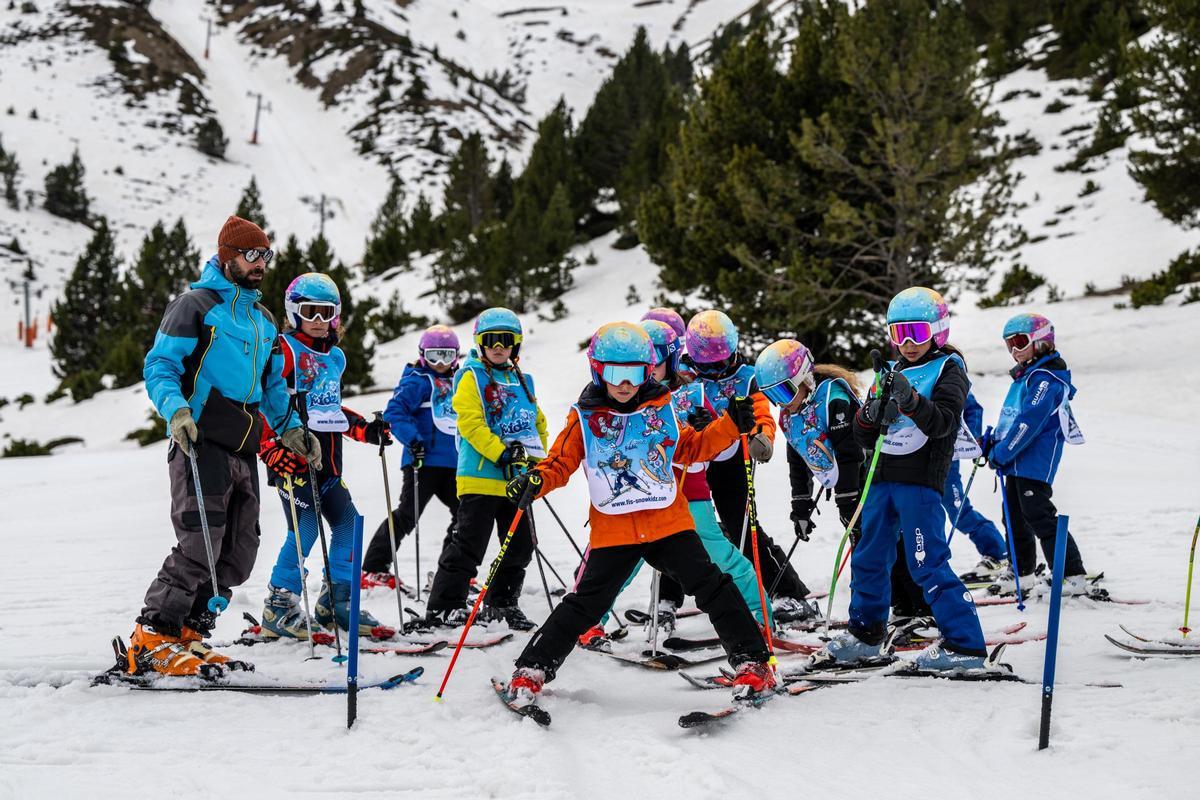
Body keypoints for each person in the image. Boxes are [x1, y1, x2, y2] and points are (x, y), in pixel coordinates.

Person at [501, 322, 774, 705]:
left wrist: (731, 425)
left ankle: (754, 663)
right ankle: (531, 669)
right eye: (614, 373)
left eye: (633, 373)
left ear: (647, 371)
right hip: (615, 529)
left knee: (712, 585)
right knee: (584, 603)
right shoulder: (584, 417)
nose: (624, 384)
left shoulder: (661, 409)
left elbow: (691, 449)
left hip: (667, 522)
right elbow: (560, 461)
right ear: (598, 370)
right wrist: (535, 481)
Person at [132, 215, 320, 677]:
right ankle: (153, 636)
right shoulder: (194, 306)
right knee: (200, 540)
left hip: (243, 442)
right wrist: (175, 410)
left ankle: (191, 634)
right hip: (200, 439)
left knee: (238, 550)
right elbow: (160, 365)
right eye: (251, 255)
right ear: (226, 256)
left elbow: (274, 385)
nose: (260, 264)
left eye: (265, 255)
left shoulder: (262, 318)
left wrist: (290, 428)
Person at [818, 286, 988, 672]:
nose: (908, 343)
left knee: (925, 560)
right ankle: (866, 634)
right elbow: (862, 435)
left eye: (918, 332)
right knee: (869, 555)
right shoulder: (890, 371)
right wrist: (872, 412)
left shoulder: (949, 369)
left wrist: (910, 401)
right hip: (880, 477)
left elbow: (944, 422)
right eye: (899, 334)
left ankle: (965, 644)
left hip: (920, 479)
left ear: (938, 331)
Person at [575, 319, 768, 648]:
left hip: (689, 495)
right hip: (637, 498)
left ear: (671, 360)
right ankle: (590, 619)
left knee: (719, 555)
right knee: (615, 563)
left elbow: (715, 452)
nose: (643, 374)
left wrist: (709, 431)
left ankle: (760, 614)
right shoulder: (620, 400)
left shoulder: (693, 392)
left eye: (653, 363)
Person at [258, 273, 392, 639]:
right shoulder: (282, 350)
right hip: (294, 460)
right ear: (293, 312)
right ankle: (278, 605)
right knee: (304, 528)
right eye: (309, 312)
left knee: (349, 523)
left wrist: (366, 429)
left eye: (326, 313)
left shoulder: (334, 357)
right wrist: (269, 448)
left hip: (330, 463)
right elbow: (265, 403)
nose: (318, 321)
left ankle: (337, 601)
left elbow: (329, 410)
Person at [683, 310, 819, 623]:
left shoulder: (746, 376)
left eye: (722, 362)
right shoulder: (686, 377)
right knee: (691, 531)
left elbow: (761, 413)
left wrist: (762, 437)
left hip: (732, 461)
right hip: (694, 462)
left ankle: (787, 591)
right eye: (708, 366)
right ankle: (731, 588)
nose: (716, 372)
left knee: (742, 526)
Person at [423, 308, 548, 630]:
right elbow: (470, 423)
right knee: (468, 544)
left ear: (515, 344)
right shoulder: (470, 376)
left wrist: (536, 463)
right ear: (480, 343)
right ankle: (444, 606)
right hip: (480, 476)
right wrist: (502, 453)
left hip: (516, 481)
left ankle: (502, 603)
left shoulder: (525, 380)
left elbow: (537, 424)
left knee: (521, 545)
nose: (498, 346)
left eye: (505, 340)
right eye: (491, 340)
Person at [753, 338, 866, 594]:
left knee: (873, 540)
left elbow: (851, 454)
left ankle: (898, 596)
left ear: (805, 379)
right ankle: (881, 596)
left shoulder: (834, 400)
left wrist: (848, 499)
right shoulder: (790, 415)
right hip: (845, 486)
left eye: (784, 392)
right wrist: (801, 506)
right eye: (773, 396)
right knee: (862, 541)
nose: (781, 403)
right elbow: (798, 460)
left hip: (870, 482)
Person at [986, 313, 1088, 596]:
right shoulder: (1026, 376)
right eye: (1009, 344)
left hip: (1033, 460)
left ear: (1042, 341)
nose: (1014, 350)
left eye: (1020, 342)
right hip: (1013, 459)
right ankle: (1022, 572)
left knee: (1038, 514)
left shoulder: (1046, 379)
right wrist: (993, 442)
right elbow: (1012, 419)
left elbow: (1029, 422)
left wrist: (1003, 451)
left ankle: (1071, 575)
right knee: (1014, 516)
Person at [361, 325, 462, 589]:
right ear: (422, 354)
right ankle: (373, 568)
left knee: (465, 516)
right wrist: (413, 439)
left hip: (454, 463)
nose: (440, 363)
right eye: (433, 356)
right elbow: (395, 412)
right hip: (423, 462)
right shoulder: (417, 380)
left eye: (447, 355)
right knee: (408, 514)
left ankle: (450, 572)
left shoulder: (462, 382)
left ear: (456, 356)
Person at [945, 390, 1008, 577]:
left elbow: (972, 408)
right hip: (905, 463)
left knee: (958, 510)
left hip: (944, 460)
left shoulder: (946, 366)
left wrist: (968, 441)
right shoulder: (895, 370)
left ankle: (997, 553)